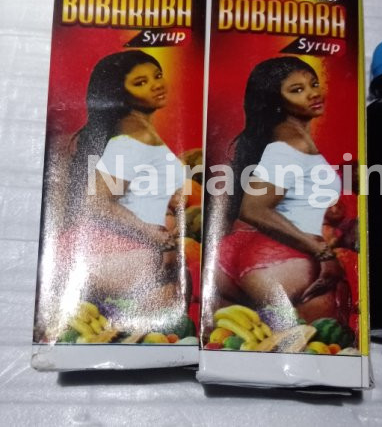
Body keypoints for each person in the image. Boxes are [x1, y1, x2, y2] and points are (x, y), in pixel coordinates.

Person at [56, 50, 190, 334]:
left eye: (157, 75)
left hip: (127, 250)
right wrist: (149, 232)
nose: (156, 85)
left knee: (166, 309)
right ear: (121, 95)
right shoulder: (133, 139)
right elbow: (96, 202)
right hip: (117, 250)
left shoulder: (140, 133)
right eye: (140, 82)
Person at [212, 57, 352, 330]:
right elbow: (253, 208)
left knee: (239, 342)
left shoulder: (276, 138)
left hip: (239, 255)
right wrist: (323, 253)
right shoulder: (292, 143)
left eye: (313, 84)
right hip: (284, 262)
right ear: (277, 101)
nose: (312, 93)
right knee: (324, 340)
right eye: (296, 90)